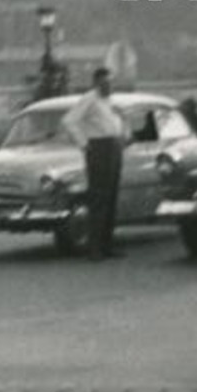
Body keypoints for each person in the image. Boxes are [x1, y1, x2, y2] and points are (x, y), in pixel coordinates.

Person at [62, 67, 128, 260]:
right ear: (96, 83)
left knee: (112, 197)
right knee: (99, 198)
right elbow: (69, 121)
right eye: (104, 83)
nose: (108, 86)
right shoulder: (89, 99)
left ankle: (107, 245)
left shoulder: (111, 101)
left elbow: (115, 123)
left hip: (113, 147)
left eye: (110, 82)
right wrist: (83, 143)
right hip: (98, 148)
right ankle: (95, 248)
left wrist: (122, 138)